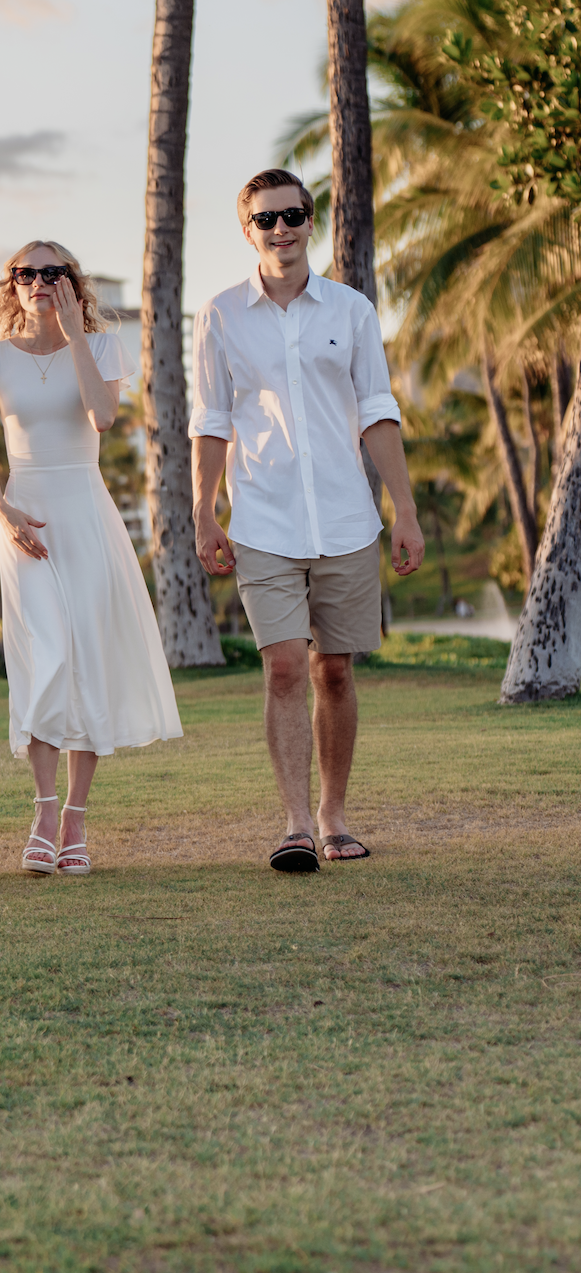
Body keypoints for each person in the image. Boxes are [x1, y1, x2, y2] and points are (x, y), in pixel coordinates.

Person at [191, 169, 423, 872]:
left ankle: (333, 814)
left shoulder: (349, 311)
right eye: (267, 219)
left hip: (348, 517)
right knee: (287, 666)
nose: (281, 228)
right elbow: (211, 420)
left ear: (310, 222)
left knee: (335, 672)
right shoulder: (221, 315)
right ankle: (294, 823)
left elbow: (378, 410)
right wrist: (204, 513)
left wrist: (404, 508)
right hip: (262, 516)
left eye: (292, 215)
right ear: (247, 230)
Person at [0, 241, 181, 878]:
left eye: (53, 273)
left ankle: (76, 820)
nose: (39, 282)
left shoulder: (101, 347)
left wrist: (75, 333)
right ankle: (44, 810)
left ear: (72, 284)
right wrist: (4, 513)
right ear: (12, 285)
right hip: (26, 516)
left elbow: (104, 415)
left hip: (86, 511)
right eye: (26, 273)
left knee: (86, 658)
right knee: (44, 657)